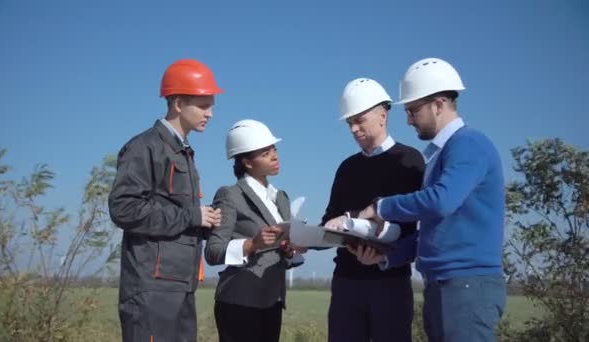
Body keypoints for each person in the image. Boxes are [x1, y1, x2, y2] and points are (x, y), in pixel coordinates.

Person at [355, 58, 507, 342]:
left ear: (438, 104)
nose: (409, 119)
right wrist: (387, 255)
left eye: (413, 110)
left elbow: (440, 202)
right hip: (444, 286)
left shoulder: (468, 143)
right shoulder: (439, 154)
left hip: (467, 287)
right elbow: (433, 228)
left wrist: (381, 207)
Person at [108, 59, 223, 342]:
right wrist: (191, 217)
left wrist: (203, 223)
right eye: (203, 105)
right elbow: (123, 208)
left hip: (180, 286)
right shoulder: (145, 147)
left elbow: (175, 214)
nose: (210, 113)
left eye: (211, 105)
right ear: (178, 103)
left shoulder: (183, 152)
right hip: (151, 288)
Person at [322, 78, 425, 342]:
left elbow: (417, 225)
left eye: (359, 120)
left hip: (389, 282)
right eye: (349, 123)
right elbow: (329, 219)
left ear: (383, 114)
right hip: (346, 281)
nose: (354, 129)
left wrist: (383, 253)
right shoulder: (347, 168)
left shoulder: (410, 161)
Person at [205, 119, 303, 342]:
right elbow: (213, 252)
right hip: (239, 303)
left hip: (273, 301)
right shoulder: (229, 195)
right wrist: (252, 244)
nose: (275, 156)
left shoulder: (281, 198)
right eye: (266, 152)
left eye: (274, 149)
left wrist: (289, 251)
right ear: (247, 162)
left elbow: (281, 253)